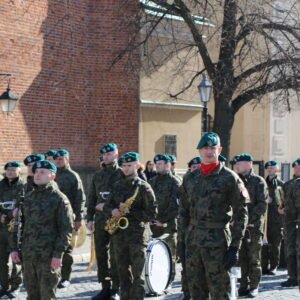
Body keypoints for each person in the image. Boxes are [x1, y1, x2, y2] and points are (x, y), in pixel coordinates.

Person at [181, 132, 248, 299]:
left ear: (220, 150)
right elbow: (183, 211)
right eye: (205, 148)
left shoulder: (229, 178)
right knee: (196, 290)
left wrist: (235, 247)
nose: (209, 151)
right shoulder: (190, 178)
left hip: (217, 242)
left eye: (213, 148)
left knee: (220, 292)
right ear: (199, 151)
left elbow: (241, 213)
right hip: (193, 242)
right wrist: (182, 241)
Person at [10, 160, 73, 300]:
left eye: (43, 172)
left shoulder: (59, 199)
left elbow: (66, 230)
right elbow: (18, 225)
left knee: (47, 296)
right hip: (28, 255)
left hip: (48, 256)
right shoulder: (28, 197)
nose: (37, 175)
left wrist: (58, 254)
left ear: (52, 176)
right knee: (32, 295)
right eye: (36, 172)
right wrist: (14, 249)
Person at [105, 152, 156, 300]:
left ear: (136, 165)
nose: (126, 168)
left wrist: (131, 211)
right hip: (119, 236)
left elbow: (152, 214)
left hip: (137, 236)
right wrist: (113, 210)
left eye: (129, 165)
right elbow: (108, 205)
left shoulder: (144, 187)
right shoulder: (117, 185)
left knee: (137, 276)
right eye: (124, 166)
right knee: (122, 275)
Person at [86, 143, 123, 300]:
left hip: (117, 220)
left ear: (116, 155)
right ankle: (105, 287)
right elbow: (92, 198)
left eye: (110, 154)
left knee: (116, 255)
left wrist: (106, 207)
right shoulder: (97, 175)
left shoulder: (122, 173)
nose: (106, 157)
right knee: (101, 255)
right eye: (104, 155)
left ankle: (116, 288)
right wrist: (89, 218)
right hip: (100, 221)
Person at [235, 153, 268, 298]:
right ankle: (243, 285)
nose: (237, 166)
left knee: (254, 258)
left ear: (249, 164)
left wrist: (248, 219)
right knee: (242, 258)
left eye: (240, 163)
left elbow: (262, 205)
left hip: (253, 227)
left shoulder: (258, 181)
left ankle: (254, 287)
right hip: (239, 227)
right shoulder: (236, 181)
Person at [54, 149, 86, 288]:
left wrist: (79, 218)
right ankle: (54, 275)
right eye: (57, 159)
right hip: (52, 218)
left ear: (67, 159)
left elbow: (80, 198)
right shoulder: (52, 175)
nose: (58, 161)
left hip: (68, 217)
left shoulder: (73, 176)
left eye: (61, 158)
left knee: (67, 249)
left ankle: (66, 277)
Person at [149, 154, 181, 283]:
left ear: (168, 165)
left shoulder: (175, 182)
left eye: (160, 164)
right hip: (153, 225)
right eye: (156, 164)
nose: (157, 166)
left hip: (168, 226)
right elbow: (148, 202)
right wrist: (150, 218)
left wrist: (164, 222)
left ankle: (168, 281)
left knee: (169, 255)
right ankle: (157, 280)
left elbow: (177, 206)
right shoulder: (152, 181)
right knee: (155, 255)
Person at [0, 161, 25, 298]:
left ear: (19, 171)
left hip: (16, 229)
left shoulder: (23, 187)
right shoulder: (0, 185)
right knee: (1, 259)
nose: (10, 171)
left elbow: (21, 208)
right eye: (8, 169)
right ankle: (4, 286)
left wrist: (9, 215)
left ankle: (15, 287)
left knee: (16, 259)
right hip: (1, 228)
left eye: (14, 169)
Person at [261, 160, 284, 275]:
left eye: (272, 168)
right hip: (263, 219)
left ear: (277, 169)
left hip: (276, 220)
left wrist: (272, 201)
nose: (270, 169)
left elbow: (283, 203)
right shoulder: (262, 183)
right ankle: (263, 266)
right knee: (263, 245)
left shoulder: (281, 184)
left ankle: (274, 266)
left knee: (275, 244)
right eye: (268, 168)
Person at [281, 158, 300, 287]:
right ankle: (293, 276)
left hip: (294, 219)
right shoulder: (289, 184)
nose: (297, 169)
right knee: (291, 248)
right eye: (296, 167)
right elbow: (285, 202)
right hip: (291, 222)